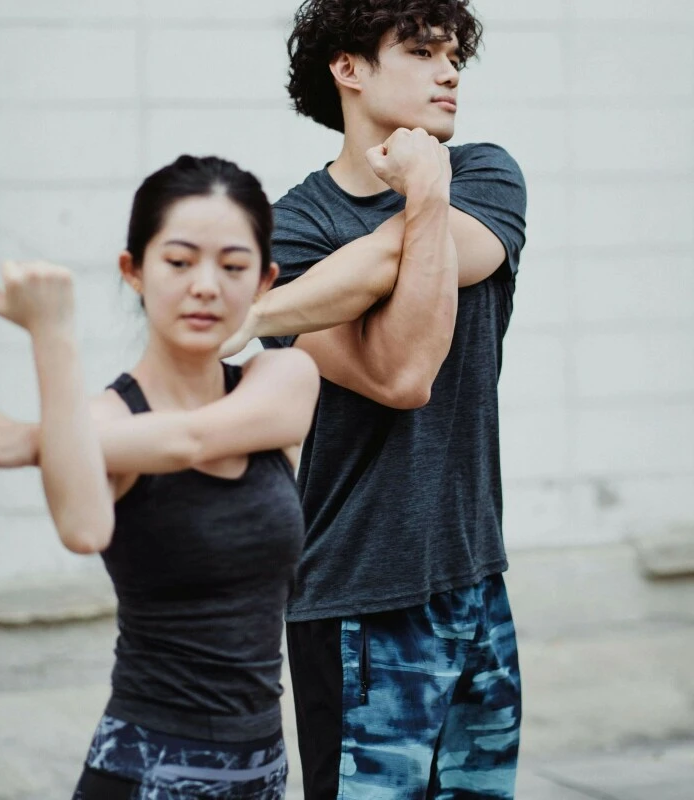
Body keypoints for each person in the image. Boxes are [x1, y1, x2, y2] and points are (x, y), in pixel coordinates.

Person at [0, 155, 322, 800]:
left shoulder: (280, 381)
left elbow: (194, 437)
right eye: (179, 261)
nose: (205, 286)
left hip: (264, 772)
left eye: (233, 265)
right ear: (133, 271)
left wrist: (36, 440)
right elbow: (83, 529)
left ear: (265, 281)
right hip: (144, 772)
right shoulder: (100, 418)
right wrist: (52, 335)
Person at [221, 0, 528, 797]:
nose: (450, 70)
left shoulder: (488, 173)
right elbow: (402, 376)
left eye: (455, 54)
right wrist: (426, 201)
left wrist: (259, 315)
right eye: (424, 52)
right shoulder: (290, 232)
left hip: (473, 579)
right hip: (355, 592)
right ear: (348, 68)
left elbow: (396, 260)